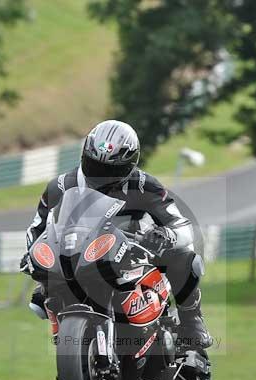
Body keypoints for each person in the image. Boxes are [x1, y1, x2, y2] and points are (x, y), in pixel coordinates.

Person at [21, 119, 212, 349]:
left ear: (130, 165)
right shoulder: (61, 186)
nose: (102, 175)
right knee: (42, 293)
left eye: (111, 169)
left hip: (132, 252)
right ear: (85, 156)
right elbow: (38, 226)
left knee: (183, 258)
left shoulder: (144, 185)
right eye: (96, 166)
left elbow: (181, 223)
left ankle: (192, 321)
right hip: (78, 255)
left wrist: (166, 235)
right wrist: (31, 250)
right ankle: (73, 339)